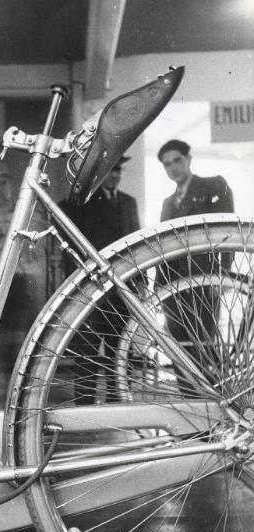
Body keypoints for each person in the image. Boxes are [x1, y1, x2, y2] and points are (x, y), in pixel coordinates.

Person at [61, 157, 142, 403]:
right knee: (88, 350)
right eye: (111, 170)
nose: (115, 174)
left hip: (122, 289)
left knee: (119, 350)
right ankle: (84, 407)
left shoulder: (128, 202)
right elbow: (71, 247)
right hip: (93, 290)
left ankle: (118, 402)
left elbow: (137, 245)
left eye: (118, 169)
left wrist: (140, 284)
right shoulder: (82, 203)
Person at [157, 139, 234, 395]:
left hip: (204, 282)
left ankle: (212, 410)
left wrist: (222, 275)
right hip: (173, 290)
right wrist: (159, 290)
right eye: (167, 164)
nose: (173, 168)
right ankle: (190, 411)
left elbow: (227, 233)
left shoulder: (213, 185)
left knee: (204, 348)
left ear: (189, 159)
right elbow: (163, 249)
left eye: (177, 160)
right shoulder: (168, 203)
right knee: (179, 350)